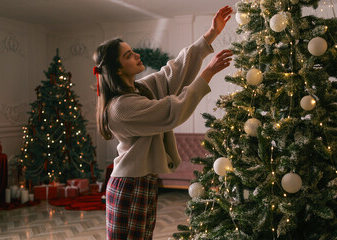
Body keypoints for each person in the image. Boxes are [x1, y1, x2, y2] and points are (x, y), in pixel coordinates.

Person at [92, 5, 233, 240]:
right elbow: (172, 111)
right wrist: (207, 73)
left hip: (142, 181)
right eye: (128, 55)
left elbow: (173, 72)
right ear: (117, 70)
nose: (137, 55)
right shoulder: (121, 107)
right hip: (129, 185)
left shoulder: (141, 89)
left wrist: (211, 34)